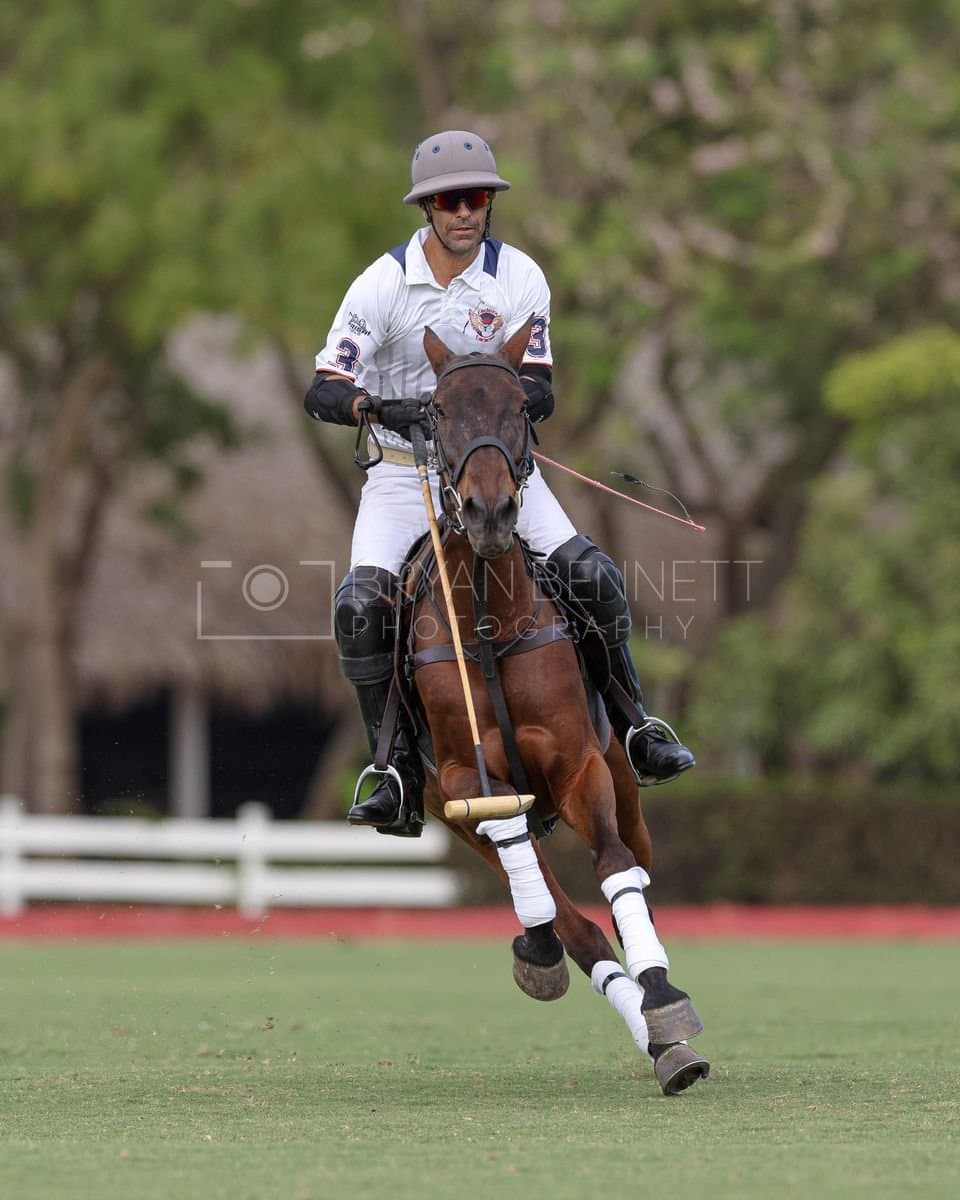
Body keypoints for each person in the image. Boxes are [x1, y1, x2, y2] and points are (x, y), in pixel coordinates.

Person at [305, 130, 694, 836]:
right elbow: (325, 385)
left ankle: (638, 726)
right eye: (450, 200)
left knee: (592, 575)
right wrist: (375, 406)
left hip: (494, 468)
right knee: (361, 608)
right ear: (427, 208)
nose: (465, 212)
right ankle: (390, 768)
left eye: (477, 198)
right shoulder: (382, 284)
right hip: (402, 478)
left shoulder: (519, 276)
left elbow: (540, 385)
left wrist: (503, 405)